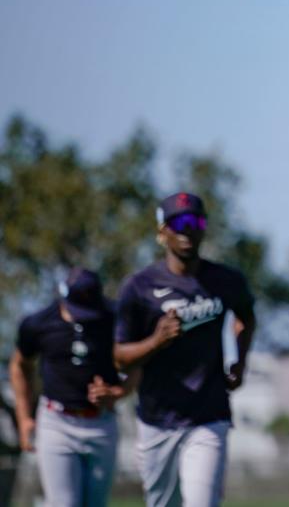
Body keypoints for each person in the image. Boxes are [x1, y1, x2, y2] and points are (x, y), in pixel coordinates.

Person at [114, 192, 256, 507]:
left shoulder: (226, 280)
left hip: (208, 416)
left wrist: (240, 361)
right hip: (156, 419)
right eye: (178, 223)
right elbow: (119, 355)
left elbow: (246, 317)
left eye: (195, 221)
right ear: (162, 232)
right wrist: (156, 341)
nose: (187, 230)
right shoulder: (139, 287)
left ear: (204, 228)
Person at [9, 267, 132, 507]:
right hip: (57, 423)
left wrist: (118, 392)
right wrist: (24, 419)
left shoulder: (114, 317)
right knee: (64, 503)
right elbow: (19, 366)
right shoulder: (38, 324)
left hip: (102, 423)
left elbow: (137, 366)